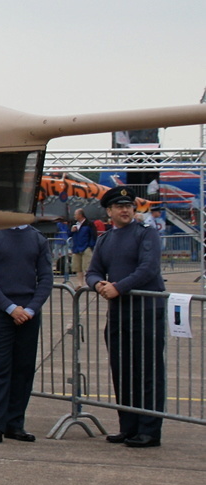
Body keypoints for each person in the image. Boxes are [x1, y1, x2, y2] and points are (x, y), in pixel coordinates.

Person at [86, 187, 166, 447]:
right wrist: (98, 284)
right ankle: (128, 427)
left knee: (147, 372)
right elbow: (93, 271)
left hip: (145, 312)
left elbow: (148, 268)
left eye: (129, 205)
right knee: (123, 372)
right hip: (119, 314)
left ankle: (149, 429)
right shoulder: (105, 240)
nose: (125, 210)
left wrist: (118, 287)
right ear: (109, 211)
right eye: (119, 206)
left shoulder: (147, 234)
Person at [0, 225, 52, 445]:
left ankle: (15, 423)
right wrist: (10, 308)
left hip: (29, 314)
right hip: (1, 314)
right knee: (0, 369)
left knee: (24, 369)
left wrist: (30, 309)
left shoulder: (38, 239)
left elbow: (46, 278)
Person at [70, 208, 94, 283]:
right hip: (76, 248)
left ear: (80, 215)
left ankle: (88, 283)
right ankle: (80, 284)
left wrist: (90, 246)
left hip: (86, 248)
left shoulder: (89, 224)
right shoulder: (74, 223)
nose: (74, 216)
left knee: (87, 267)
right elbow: (69, 234)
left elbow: (93, 235)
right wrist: (71, 231)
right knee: (77, 268)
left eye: (75, 214)